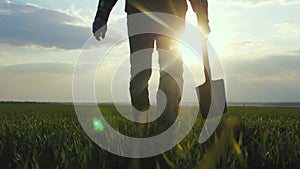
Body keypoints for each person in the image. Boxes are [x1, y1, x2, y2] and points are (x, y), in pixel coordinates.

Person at [93, 0, 210, 128]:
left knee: (171, 71)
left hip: (171, 14)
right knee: (141, 71)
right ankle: (142, 121)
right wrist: (101, 15)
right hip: (141, 14)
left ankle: (166, 124)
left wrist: (202, 15)